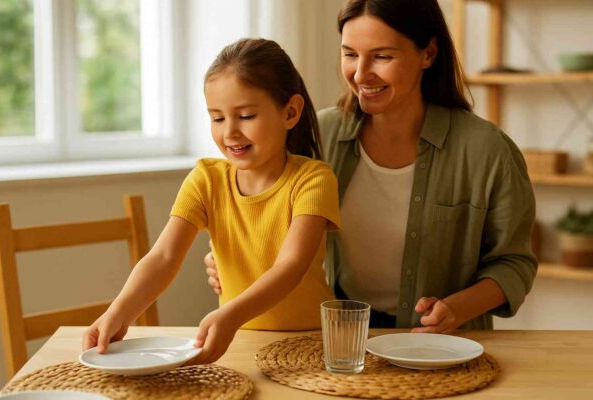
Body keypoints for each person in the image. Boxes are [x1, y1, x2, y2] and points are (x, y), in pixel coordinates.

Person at [206, 0, 537, 332]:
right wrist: (230, 258)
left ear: (428, 53)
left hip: (441, 347)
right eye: (350, 54)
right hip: (336, 337)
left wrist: (457, 308)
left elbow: (514, 263)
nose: (361, 74)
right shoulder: (319, 135)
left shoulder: (488, 151)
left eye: (382, 56)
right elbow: (264, 215)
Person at [82, 38, 340, 364]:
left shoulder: (314, 179)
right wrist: (119, 311)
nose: (229, 132)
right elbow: (163, 257)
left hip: (310, 345)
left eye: (245, 116)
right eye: (217, 118)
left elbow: (291, 267)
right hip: (237, 345)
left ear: (290, 112)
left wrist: (231, 314)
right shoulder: (206, 179)